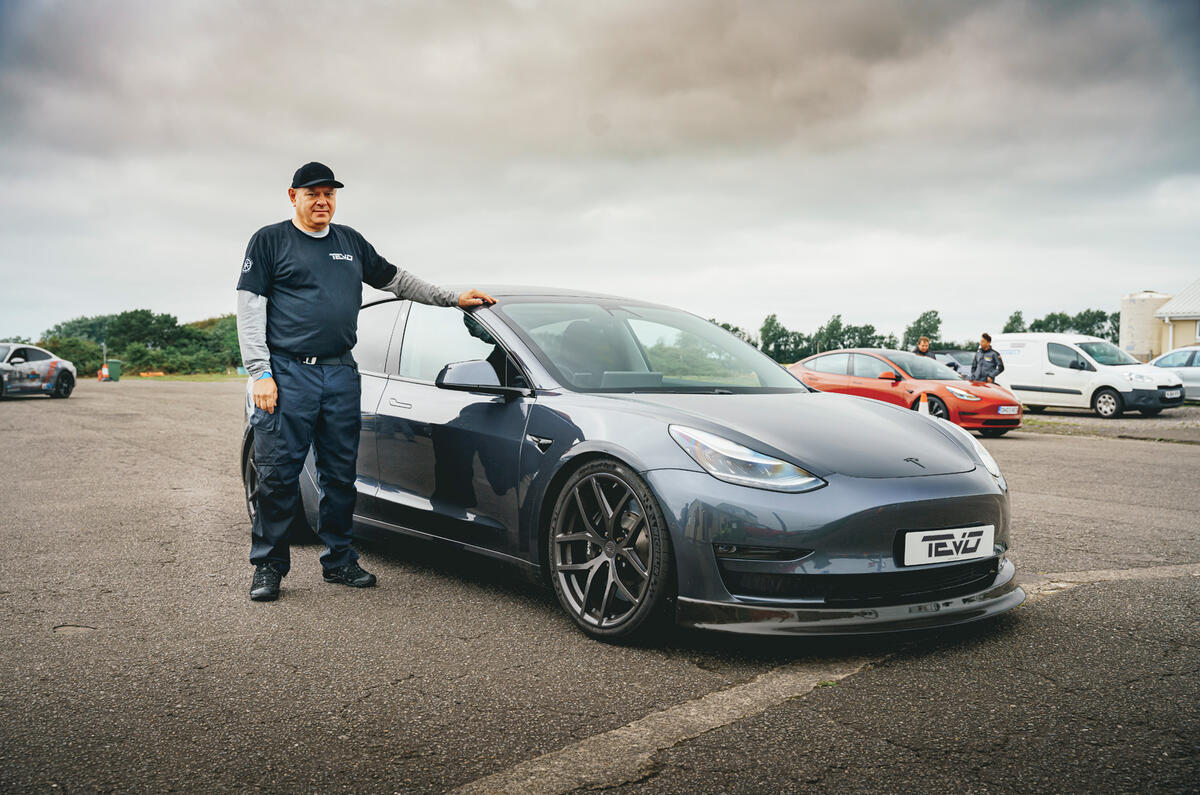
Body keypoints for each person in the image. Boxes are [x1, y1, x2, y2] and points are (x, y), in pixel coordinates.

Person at [237, 161, 496, 602]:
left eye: (329, 194)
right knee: (278, 475)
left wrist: (451, 297)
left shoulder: (349, 242)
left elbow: (397, 280)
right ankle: (269, 566)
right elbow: (249, 308)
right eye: (313, 194)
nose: (322, 201)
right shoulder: (269, 241)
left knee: (340, 475)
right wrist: (260, 372)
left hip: (340, 372)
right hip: (288, 373)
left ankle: (339, 560)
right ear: (293, 196)